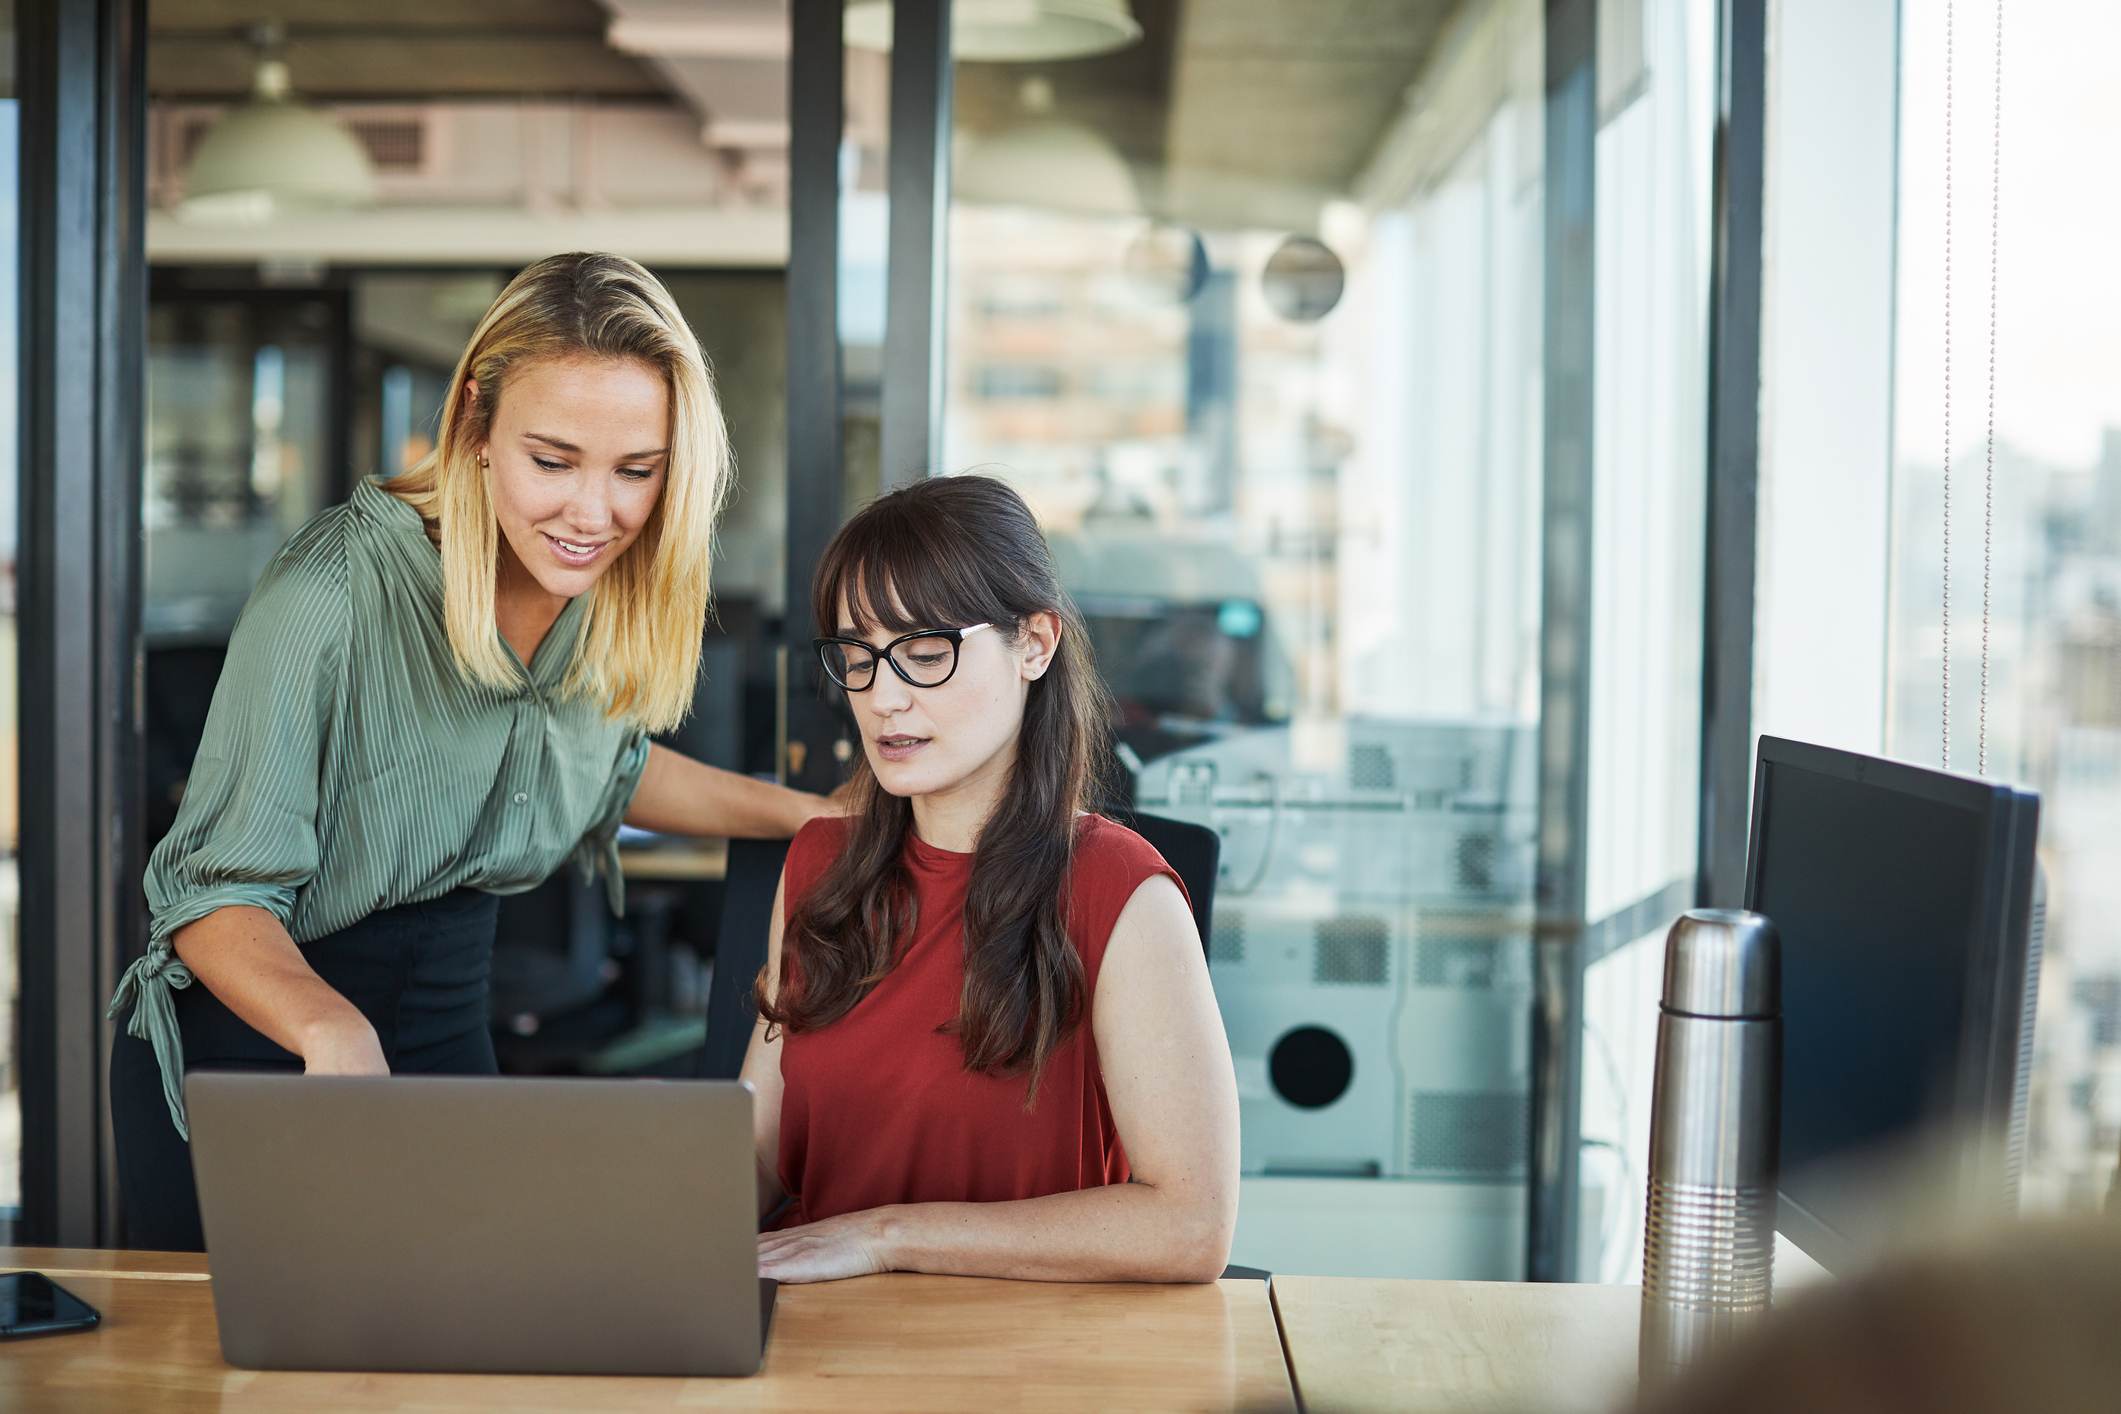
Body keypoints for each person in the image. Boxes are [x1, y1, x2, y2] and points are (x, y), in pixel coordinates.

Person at [109, 251, 829, 1252]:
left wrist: (807, 815)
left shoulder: (594, 590)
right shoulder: (330, 597)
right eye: (553, 459)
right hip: (267, 1046)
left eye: (636, 471)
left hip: (445, 1026)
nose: (595, 513)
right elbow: (211, 895)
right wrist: (331, 1026)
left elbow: (604, 768)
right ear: (475, 427)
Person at [743, 474, 1241, 1284]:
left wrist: (885, 1237)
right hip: (814, 1340)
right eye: (857, 656)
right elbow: (756, 1148)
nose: (883, 696)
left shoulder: (1122, 892)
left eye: (926, 652)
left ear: (1034, 645)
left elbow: (1188, 1225)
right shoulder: (817, 865)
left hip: (1021, 1354)